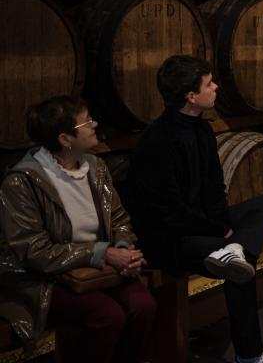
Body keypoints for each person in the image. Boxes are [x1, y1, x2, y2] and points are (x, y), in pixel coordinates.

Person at [127, 55, 263, 363]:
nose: (216, 87)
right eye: (209, 84)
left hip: (203, 225)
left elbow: (215, 187)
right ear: (191, 96)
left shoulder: (202, 129)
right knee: (240, 268)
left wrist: (223, 226)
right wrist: (219, 230)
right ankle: (250, 356)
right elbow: (169, 211)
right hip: (170, 238)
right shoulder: (157, 140)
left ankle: (234, 250)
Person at [0, 96, 156, 362]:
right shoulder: (22, 182)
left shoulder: (95, 167)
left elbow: (119, 218)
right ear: (65, 139)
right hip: (43, 279)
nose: (95, 124)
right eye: (87, 122)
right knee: (107, 316)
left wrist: (123, 249)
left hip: (96, 268)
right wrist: (102, 253)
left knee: (143, 306)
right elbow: (34, 252)